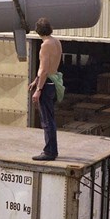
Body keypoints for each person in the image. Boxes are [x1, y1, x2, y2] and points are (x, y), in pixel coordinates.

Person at [28, 17, 63, 161]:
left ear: (38, 31)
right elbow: (49, 67)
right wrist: (35, 81)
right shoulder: (56, 42)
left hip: (46, 84)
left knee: (47, 121)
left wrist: (38, 89)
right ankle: (52, 149)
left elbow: (43, 69)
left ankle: (50, 152)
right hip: (53, 81)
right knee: (51, 119)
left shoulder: (45, 45)